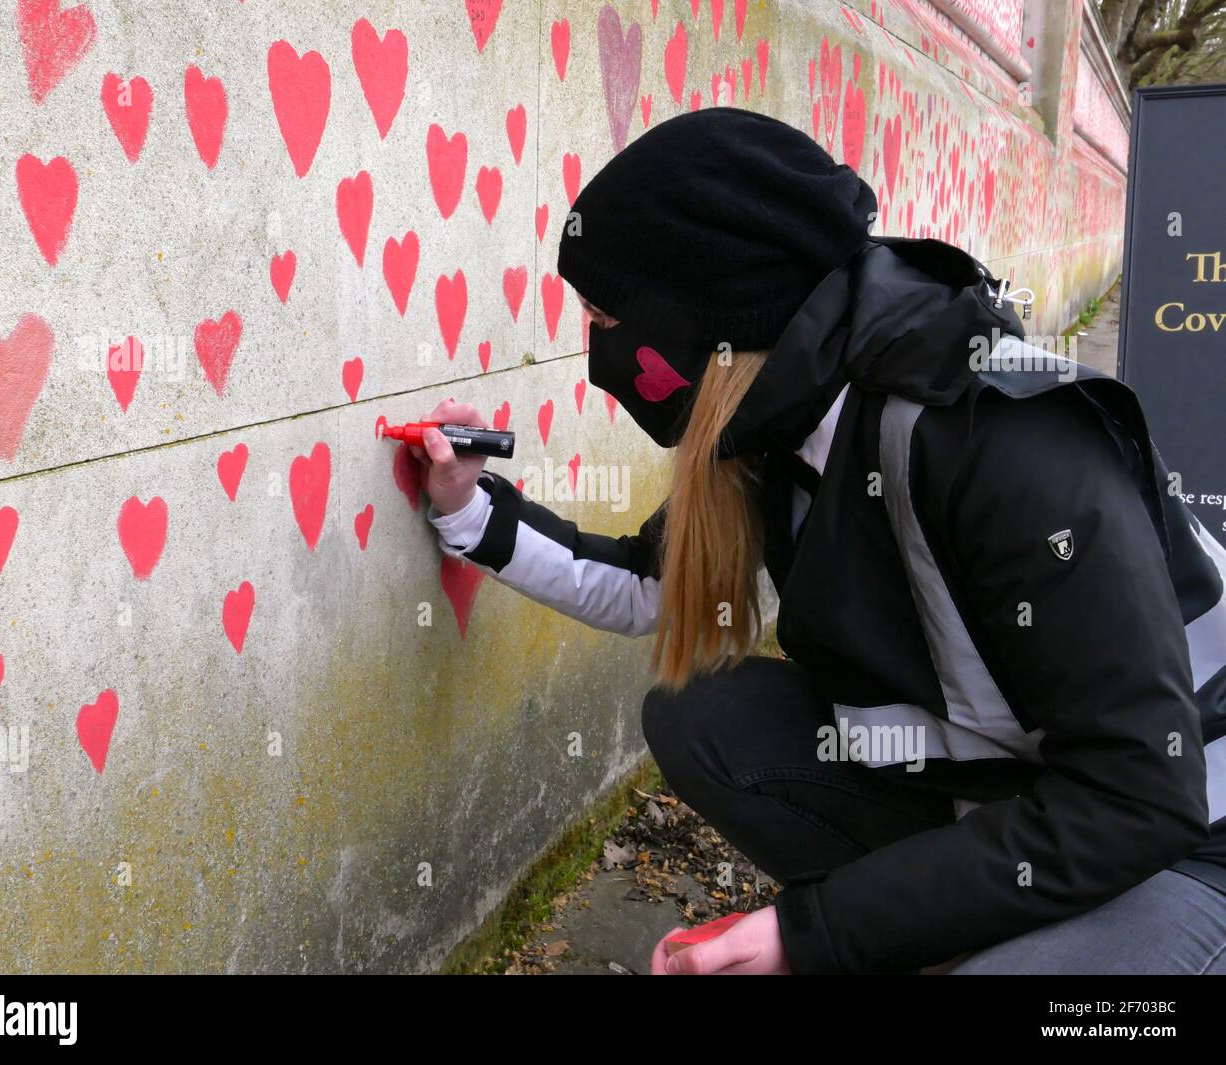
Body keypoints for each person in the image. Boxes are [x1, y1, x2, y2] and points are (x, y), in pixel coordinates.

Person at [409, 108, 1226, 974]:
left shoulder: (1001, 438)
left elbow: (1139, 795)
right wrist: (469, 508)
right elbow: (652, 582)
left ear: (704, 320)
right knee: (700, 717)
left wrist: (813, 933)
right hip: (1009, 786)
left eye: (606, 319)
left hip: (1184, 836)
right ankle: (971, 922)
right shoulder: (786, 415)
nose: (594, 354)